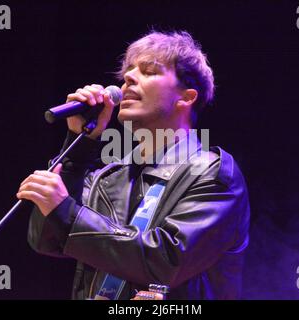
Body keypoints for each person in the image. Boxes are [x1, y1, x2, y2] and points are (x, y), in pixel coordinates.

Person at [17, 30, 250, 300]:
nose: (127, 78)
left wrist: (68, 212)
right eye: (127, 71)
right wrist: (79, 145)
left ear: (186, 97)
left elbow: (166, 260)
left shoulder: (212, 173)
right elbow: (46, 239)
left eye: (149, 71)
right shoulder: (108, 177)